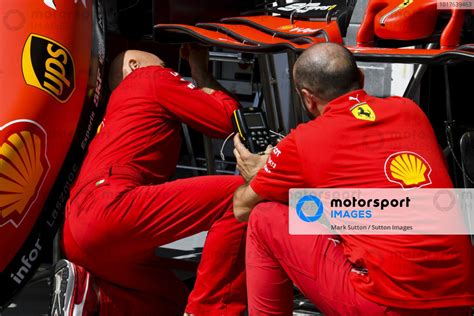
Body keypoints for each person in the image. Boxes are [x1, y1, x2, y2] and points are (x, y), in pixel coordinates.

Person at [233, 42, 474, 315]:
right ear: (360, 78)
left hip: (387, 303)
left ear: (307, 97)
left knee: (263, 216)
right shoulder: (410, 111)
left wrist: (261, 172)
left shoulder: (303, 141)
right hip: (461, 297)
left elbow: (241, 209)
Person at [50, 46, 247, 316]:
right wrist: (200, 69)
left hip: (76, 230)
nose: (171, 71)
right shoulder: (148, 78)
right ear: (133, 64)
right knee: (241, 194)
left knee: (172, 301)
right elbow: (226, 119)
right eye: (165, 64)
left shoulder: (119, 110)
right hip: (109, 206)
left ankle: (93, 297)